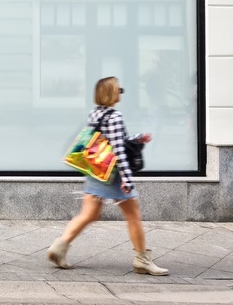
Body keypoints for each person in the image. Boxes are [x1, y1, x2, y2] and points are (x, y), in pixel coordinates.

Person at [47, 76, 168, 275]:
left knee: (89, 214)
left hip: (96, 171)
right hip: (114, 174)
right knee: (133, 215)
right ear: (111, 93)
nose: (120, 93)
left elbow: (109, 142)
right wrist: (127, 180)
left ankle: (59, 248)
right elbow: (118, 151)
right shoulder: (115, 116)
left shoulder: (95, 114)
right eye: (118, 89)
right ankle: (142, 260)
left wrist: (137, 138)